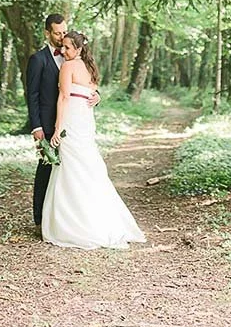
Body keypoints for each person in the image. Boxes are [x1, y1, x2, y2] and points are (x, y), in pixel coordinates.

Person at [40, 30, 146, 249]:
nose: (64, 50)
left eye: (68, 47)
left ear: (78, 49)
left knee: (73, 166)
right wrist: (95, 96)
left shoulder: (68, 66)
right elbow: (92, 90)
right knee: (84, 165)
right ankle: (93, 218)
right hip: (85, 119)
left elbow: (64, 97)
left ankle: (74, 224)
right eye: (63, 47)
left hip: (73, 118)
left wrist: (58, 128)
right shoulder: (89, 66)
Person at [27, 14, 99, 234]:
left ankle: (68, 218)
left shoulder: (75, 57)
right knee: (46, 169)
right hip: (48, 124)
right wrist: (36, 126)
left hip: (73, 122)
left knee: (70, 170)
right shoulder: (38, 60)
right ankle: (40, 220)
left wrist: (97, 96)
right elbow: (33, 95)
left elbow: (86, 84)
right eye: (57, 33)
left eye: (63, 31)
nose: (61, 36)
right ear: (47, 32)